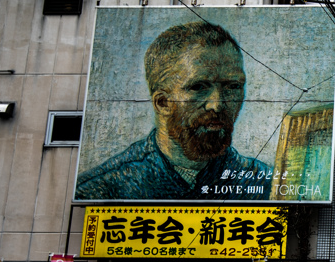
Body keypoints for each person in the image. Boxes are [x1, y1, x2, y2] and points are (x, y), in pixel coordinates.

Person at [76, 20, 273, 201]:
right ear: (162, 102)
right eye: (198, 87)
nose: (217, 104)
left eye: (232, 86)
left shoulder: (265, 184)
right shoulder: (103, 189)